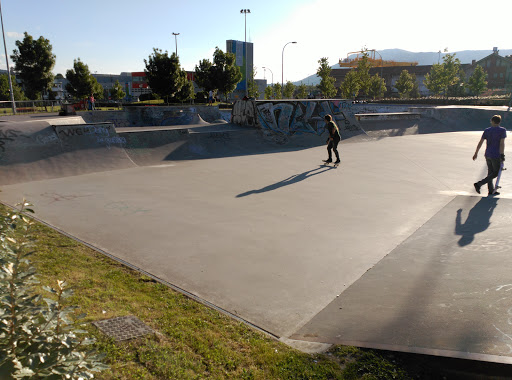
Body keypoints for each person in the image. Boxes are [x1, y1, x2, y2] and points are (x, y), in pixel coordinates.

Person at [473, 115, 506, 195]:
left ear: (492, 121)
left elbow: (480, 142)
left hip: (487, 154)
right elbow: (502, 143)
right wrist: (502, 155)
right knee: (495, 172)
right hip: (496, 155)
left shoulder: (487, 130)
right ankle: (479, 184)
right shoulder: (502, 130)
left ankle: (491, 190)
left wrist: (476, 153)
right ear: (499, 122)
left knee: (490, 172)